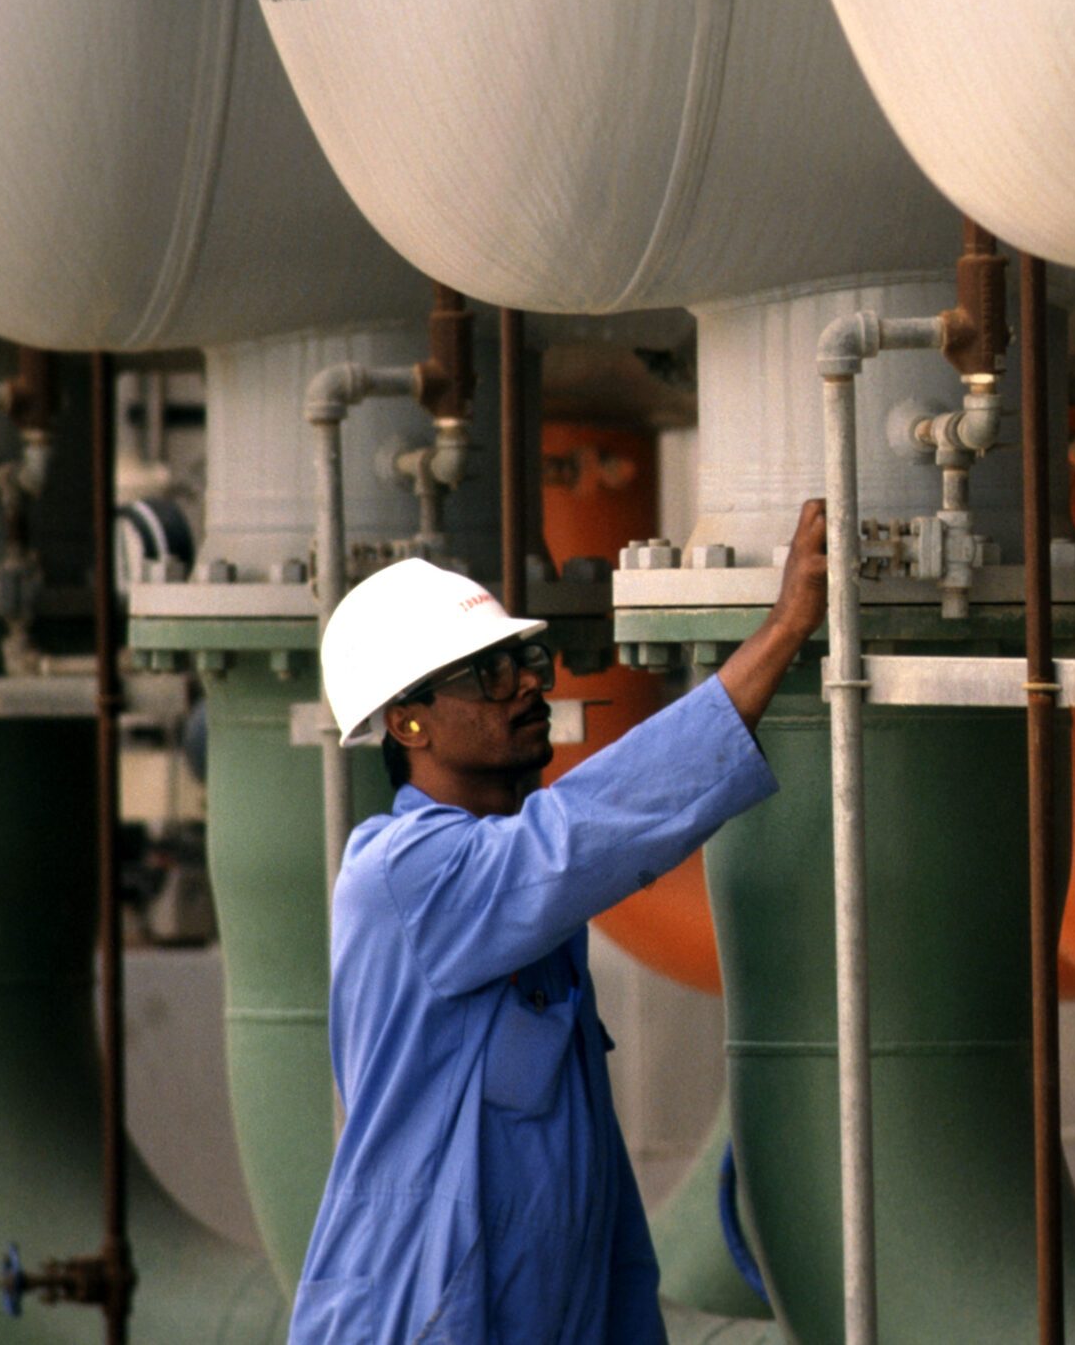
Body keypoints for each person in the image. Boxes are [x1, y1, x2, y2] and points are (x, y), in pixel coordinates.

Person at [290, 499, 828, 1342]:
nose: (530, 684)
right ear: (407, 719)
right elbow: (575, 836)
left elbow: (580, 1174)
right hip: (418, 1315)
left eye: (525, 659)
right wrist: (782, 632)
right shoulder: (402, 871)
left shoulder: (515, 888)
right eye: (488, 674)